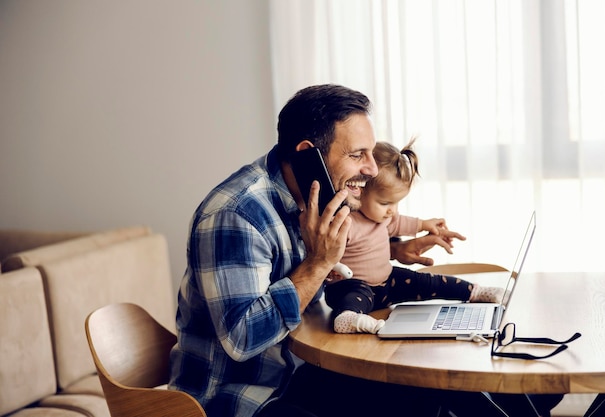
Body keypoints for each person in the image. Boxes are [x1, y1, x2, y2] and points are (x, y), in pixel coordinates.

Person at [168, 84, 561, 417]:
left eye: (371, 153)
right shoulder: (236, 216)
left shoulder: (316, 195)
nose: (372, 169)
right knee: (421, 393)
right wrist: (319, 263)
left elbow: (346, 257)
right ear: (308, 153)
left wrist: (394, 250)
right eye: (358, 155)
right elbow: (243, 340)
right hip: (249, 400)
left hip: (304, 371)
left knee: (436, 383)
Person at [325, 138, 505, 334]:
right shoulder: (347, 223)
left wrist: (424, 224)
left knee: (427, 281)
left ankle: (475, 292)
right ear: (358, 190)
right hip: (353, 288)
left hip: (387, 283)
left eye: (396, 203)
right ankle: (346, 318)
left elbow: (401, 222)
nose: (392, 211)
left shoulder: (384, 218)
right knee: (355, 294)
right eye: (385, 203)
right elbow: (326, 251)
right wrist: (329, 269)